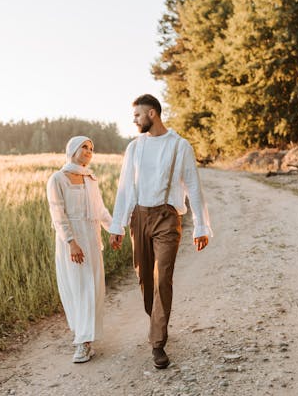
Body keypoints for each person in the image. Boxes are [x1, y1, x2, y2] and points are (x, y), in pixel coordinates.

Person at [109, 94, 212, 369]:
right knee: (145, 278)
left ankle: (158, 343)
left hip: (167, 218)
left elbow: (194, 187)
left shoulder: (180, 146)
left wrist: (201, 226)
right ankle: (157, 320)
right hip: (139, 217)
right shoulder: (134, 148)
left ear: (152, 114)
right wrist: (117, 225)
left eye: (137, 115)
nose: (134, 120)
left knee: (162, 277)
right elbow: (125, 188)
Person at [46, 136, 113, 363]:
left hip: (92, 241)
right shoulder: (58, 179)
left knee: (93, 289)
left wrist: (114, 230)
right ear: (73, 149)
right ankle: (81, 340)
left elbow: (100, 210)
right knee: (78, 289)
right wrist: (71, 242)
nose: (88, 151)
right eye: (84, 147)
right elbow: (58, 214)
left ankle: (87, 340)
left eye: (92, 148)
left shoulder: (91, 178)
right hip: (71, 242)